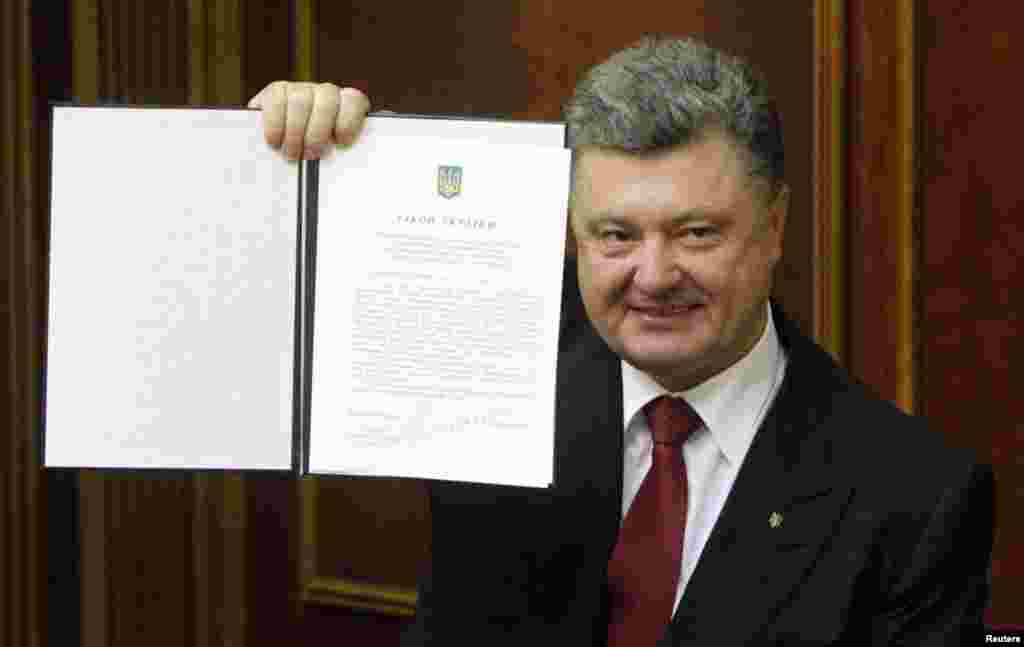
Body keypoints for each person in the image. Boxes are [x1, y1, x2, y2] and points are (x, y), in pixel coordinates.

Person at [249, 37, 994, 646]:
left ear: (774, 227)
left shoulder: (913, 500)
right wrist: (302, 150)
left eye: (697, 232)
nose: (654, 274)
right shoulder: (490, 379)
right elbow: (276, 311)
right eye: (616, 235)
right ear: (573, 235)